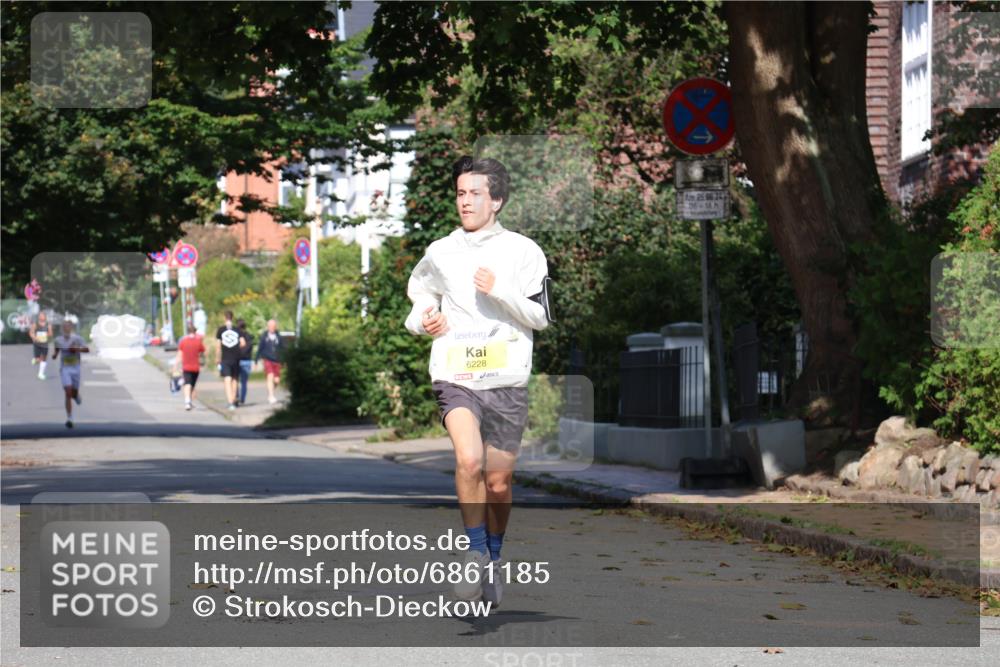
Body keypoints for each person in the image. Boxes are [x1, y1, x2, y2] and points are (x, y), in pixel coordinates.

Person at [404, 156, 549, 607]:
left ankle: (494, 559)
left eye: (475, 194)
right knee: (469, 462)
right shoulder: (440, 251)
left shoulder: (524, 251)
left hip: (505, 378)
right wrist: (422, 320)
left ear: (498, 200)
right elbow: (420, 296)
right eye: (461, 193)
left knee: (500, 482)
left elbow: (541, 317)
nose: (465, 202)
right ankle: (472, 551)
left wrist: (500, 290)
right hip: (456, 373)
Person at [52, 319, 90, 428]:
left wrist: (76, 349)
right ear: (62, 329)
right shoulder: (58, 340)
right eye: (64, 327)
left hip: (76, 368)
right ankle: (70, 418)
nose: (66, 329)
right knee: (67, 393)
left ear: (71, 328)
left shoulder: (77, 339)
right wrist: (54, 355)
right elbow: (57, 350)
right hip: (65, 369)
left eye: (68, 327)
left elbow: (87, 349)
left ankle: (76, 395)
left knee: (73, 392)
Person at [215, 310, 245, 410]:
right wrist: (236, 348)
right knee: (235, 379)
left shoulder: (221, 330)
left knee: (227, 379)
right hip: (236, 357)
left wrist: (217, 358)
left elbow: (218, 346)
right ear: (232, 318)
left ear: (225, 317)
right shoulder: (237, 329)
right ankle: (233, 399)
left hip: (225, 357)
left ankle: (230, 401)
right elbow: (243, 343)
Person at [173, 323, 205, 411]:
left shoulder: (183, 341)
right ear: (195, 332)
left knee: (187, 384)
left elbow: (179, 354)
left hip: (186, 366)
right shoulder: (198, 341)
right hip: (195, 367)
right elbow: (202, 352)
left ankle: (188, 402)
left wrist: (175, 366)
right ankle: (188, 401)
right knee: (192, 384)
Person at [255, 319, 285, 405]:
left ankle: (270, 391)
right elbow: (260, 348)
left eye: (273, 326)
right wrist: (256, 360)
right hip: (267, 359)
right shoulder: (264, 336)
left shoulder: (279, 336)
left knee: (277, 380)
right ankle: (271, 396)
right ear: (268, 327)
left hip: (277, 360)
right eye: (270, 326)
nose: (272, 328)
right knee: (270, 376)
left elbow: (283, 348)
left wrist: (284, 359)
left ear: (275, 327)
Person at [29, 311, 53, 380]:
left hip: (45, 344)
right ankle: (35, 359)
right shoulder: (35, 324)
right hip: (37, 344)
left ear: (45, 317)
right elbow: (31, 332)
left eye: (43, 316)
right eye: (41, 316)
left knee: (44, 358)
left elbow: (51, 334)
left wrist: (45, 335)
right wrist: (34, 337)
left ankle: (41, 373)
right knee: (38, 359)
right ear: (39, 317)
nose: (42, 317)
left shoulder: (48, 325)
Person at [236, 319, 254, 406]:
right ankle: (242, 399)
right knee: (244, 382)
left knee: (235, 381)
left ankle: (235, 398)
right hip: (247, 360)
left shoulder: (235, 336)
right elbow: (249, 348)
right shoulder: (249, 336)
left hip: (237, 360)